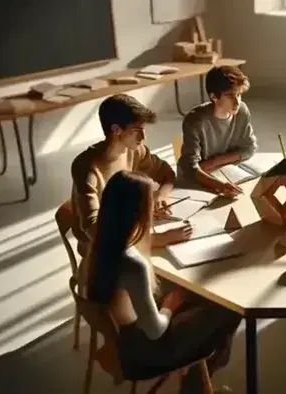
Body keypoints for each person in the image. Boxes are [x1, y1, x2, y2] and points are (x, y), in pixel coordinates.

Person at [86, 170, 241, 391]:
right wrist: (170, 306)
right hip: (145, 351)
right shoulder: (133, 265)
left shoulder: (101, 244)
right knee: (229, 309)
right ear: (137, 212)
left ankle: (196, 381)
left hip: (124, 337)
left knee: (200, 302)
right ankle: (196, 386)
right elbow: (155, 331)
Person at [71, 94, 192, 290]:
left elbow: (167, 174)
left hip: (131, 231)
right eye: (137, 131)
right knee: (179, 285)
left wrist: (160, 197)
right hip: (103, 252)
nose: (143, 138)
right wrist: (160, 239)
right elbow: (97, 233)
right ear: (116, 130)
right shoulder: (87, 167)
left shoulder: (136, 150)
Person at [178, 65, 257, 197]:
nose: (237, 101)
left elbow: (249, 148)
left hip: (224, 170)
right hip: (197, 180)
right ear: (214, 96)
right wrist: (220, 186)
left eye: (239, 94)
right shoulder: (195, 120)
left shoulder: (242, 111)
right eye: (230, 95)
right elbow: (191, 168)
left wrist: (215, 161)